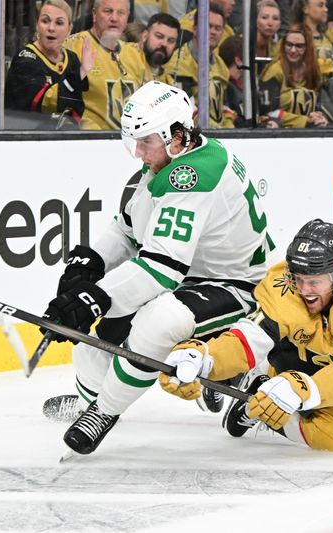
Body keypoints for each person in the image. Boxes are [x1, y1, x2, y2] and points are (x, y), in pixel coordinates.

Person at [40, 80, 275, 455]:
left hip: (236, 286)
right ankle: (90, 400)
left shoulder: (194, 176)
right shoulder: (174, 161)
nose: (137, 152)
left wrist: (94, 298)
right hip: (191, 276)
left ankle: (103, 411)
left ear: (177, 134)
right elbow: (130, 228)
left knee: (156, 321)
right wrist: (91, 263)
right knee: (96, 343)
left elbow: (161, 268)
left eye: (145, 140)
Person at [159, 219, 333, 451]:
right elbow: (249, 340)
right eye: (299, 279)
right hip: (292, 349)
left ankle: (256, 402)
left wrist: (301, 388)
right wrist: (205, 357)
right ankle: (248, 376)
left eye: (314, 282)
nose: (305, 291)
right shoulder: (283, 283)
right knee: (249, 334)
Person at [5, 0, 88, 129]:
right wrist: (81, 73)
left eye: (59, 23)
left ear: (69, 29)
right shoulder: (25, 59)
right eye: (45, 21)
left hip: (64, 141)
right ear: (37, 24)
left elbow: (78, 107)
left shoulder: (72, 59)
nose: (51, 28)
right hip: (26, 142)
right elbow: (44, 102)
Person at [63, 0, 144, 130]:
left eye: (121, 13)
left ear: (127, 17)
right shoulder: (73, 46)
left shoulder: (135, 54)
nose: (114, 18)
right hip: (90, 141)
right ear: (94, 15)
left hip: (129, 142)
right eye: (108, 11)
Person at [174, 3, 235, 128]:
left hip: (219, 135)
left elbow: (224, 106)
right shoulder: (179, 63)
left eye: (218, 28)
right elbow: (183, 110)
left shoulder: (221, 66)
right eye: (208, 26)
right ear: (195, 29)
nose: (212, 32)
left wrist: (229, 129)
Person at [259, 24, 328, 127]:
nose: (293, 50)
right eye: (289, 45)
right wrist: (304, 121)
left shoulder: (314, 71)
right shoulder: (274, 71)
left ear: (308, 48)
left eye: (299, 46)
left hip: (309, 135)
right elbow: (268, 112)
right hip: (280, 134)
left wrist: (320, 116)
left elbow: (321, 105)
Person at [291, 0, 333, 79]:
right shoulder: (292, 39)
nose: (326, 9)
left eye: (325, 5)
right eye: (320, 5)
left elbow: (328, 73)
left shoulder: (326, 40)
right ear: (306, 9)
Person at [138, 12, 180, 85]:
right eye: (159, 36)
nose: (164, 44)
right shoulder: (124, 59)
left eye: (171, 41)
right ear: (144, 36)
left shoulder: (170, 85)